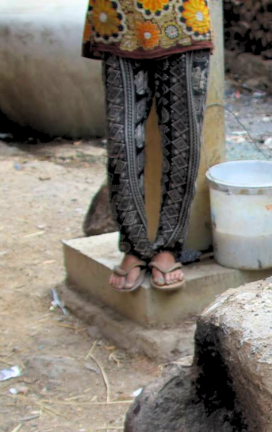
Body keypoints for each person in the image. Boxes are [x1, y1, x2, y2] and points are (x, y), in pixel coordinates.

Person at [82, 0, 213, 292]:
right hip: (118, 19)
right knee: (121, 143)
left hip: (183, 19)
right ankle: (134, 245)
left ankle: (168, 245)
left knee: (184, 143)